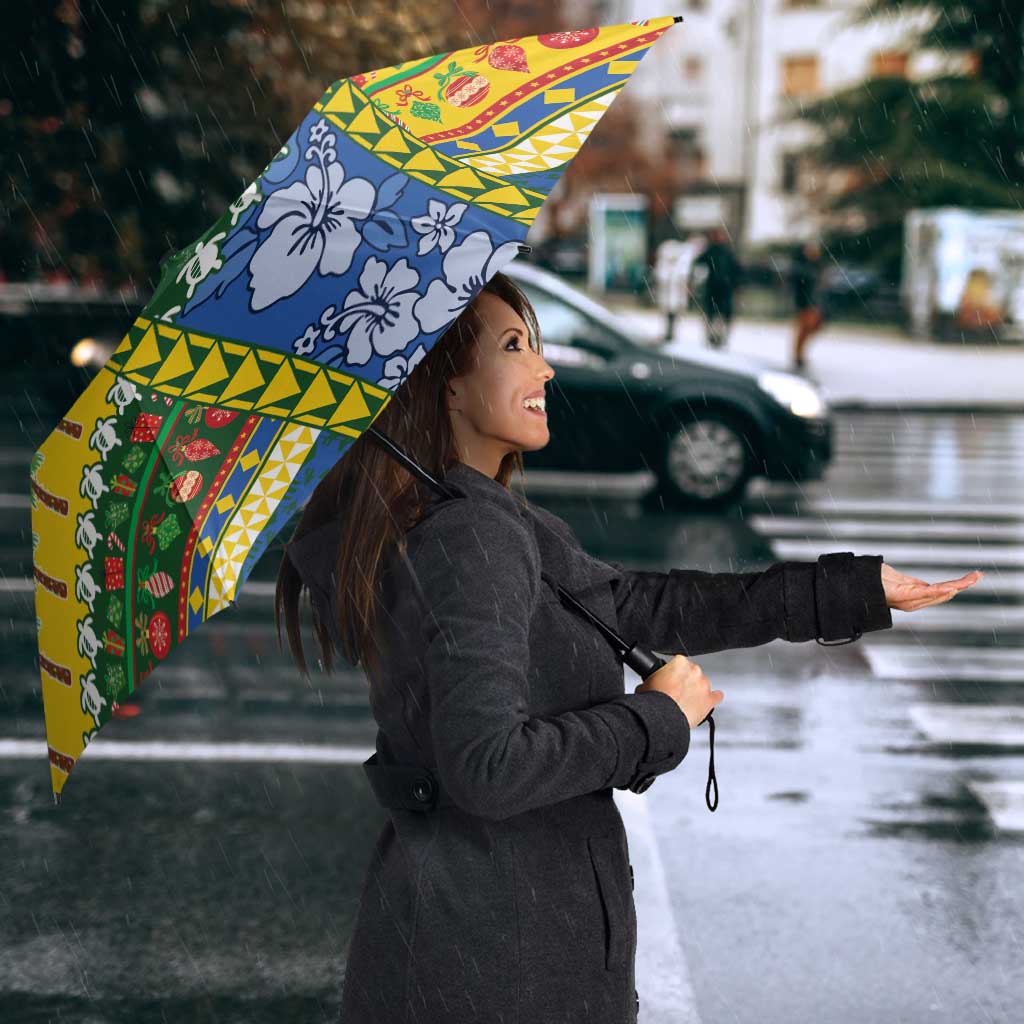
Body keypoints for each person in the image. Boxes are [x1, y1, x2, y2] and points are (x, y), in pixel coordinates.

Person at [276, 270, 981, 1024]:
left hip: (480, 942)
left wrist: (849, 590)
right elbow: (487, 768)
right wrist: (655, 719)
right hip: (497, 962)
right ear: (446, 386)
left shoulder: (481, 519)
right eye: (514, 346)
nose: (544, 367)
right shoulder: (469, 536)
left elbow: (642, 604)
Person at [692, 226, 742, 349]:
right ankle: (713, 337)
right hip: (715, 288)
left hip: (723, 288)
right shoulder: (712, 251)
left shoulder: (725, 252)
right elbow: (698, 264)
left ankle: (719, 337)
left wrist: (735, 284)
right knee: (713, 314)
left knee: (720, 315)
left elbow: (736, 270)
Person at [790, 239, 826, 371]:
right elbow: (799, 286)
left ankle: (800, 354)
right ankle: (798, 355)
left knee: (812, 328)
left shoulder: (817, 266)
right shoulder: (802, 267)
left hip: (814, 303)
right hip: (805, 303)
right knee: (804, 329)